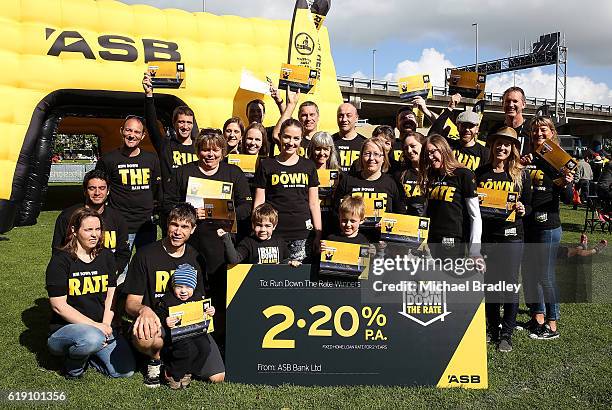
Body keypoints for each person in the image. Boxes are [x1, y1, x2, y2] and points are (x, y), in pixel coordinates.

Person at [123, 203, 225, 387]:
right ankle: (155, 359)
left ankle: (174, 365)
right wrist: (144, 310)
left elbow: (199, 298)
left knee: (217, 377)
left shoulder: (196, 258)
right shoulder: (145, 255)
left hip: (188, 325)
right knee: (146, 338)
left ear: (193, 229)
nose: (178, 231)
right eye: (174, 225)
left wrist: (207, 311)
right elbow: (131, 303)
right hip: (159, 322)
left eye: (184, 226)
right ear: (167, 225)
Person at [163, 130, 251, 340]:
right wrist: (191, 212)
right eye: (204, 149)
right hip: (192, 244)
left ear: (222, 150)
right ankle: (191, 335)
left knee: (221, 293)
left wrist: (219, 211)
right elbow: (167, 204)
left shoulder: (233, 172)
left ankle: (220, 338)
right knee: (193, 289)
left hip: (223, 244)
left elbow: (246, 206)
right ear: (197, 151)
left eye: (215, 149)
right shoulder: (184, 172)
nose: (209, 154)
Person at [46, 207, 135, 379]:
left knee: (124, 371)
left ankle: (89, 356)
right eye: (88, 229)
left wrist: (106, 325)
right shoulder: (60, 260)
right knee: (91, 338)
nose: (95, 234)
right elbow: (59, 307)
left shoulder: (107, 256)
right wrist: (97, 327)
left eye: (98, 229)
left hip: (101, 327)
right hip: (66, 330)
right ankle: (73, 368)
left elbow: (111, 295)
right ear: (74, 230)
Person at [475, 126, 532, 352]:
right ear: (492, 146)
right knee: (490, 285)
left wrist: (521, 208)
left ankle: (506, 333)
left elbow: (529, 205)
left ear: (513, 148)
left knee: (508, 285)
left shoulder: (520, 174)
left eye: (507, 144)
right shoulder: (480, 173)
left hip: (511, 237)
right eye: (498, 143)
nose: (502, 147)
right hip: (488, 237)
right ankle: (493, 329)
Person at [520, 116, 573, 340]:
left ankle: (552, 324)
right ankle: (537, 317)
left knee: (546, 275)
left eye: (544, 130)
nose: (539, 134)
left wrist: (566, 179)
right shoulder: (527, 158)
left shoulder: (560, 161)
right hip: (528, 224)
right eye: (535, 131)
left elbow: (569, 198)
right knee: (531, 274)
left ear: (552, 133)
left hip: (548, 225)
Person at [253, 118, 322, 261]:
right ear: (279, 137)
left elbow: (314, 203)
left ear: (301, 140)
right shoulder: (266, 165)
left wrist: (318, 233)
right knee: (274, 279)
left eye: (296, 138)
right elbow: (260, 201)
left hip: (303, 234)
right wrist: (256, 228)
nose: (291, 142)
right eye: (287, 137)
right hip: (273, 233)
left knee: (299, 279)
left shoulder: (309, 166)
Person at [95, 115, 161, 250]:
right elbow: (98, 189)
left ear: (143, 136)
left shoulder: (152, 159)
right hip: (118, 225)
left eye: (137, 132)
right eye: (128, 130)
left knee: (145, 268)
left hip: (146, 225)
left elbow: (156, 188)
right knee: (120, 269)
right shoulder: (108, 160)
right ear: (121, 131)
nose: (132, 135)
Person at [52, 169, 130, 278]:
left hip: (108, 276)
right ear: (85, 191)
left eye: (102, 188)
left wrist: (114, 271)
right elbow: (58, 250)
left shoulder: (117, 218)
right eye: (92, 188)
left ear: (108, 191)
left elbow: (123, 253)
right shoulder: (68, 216)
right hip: (77, 276)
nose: (97, 193)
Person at [418, 134, 482, 258]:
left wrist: (475, 250)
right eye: (427, 154)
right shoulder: (431, 176)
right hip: (432, 239)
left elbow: (475, 215)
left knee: (448, 276)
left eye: (433, 152)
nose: (430, 157)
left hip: (454, 239)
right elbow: (426, 211)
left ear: (443, 149)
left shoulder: (464, 175)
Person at [155, 263, 216, 389]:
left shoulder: (198, 297)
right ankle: (172, 373)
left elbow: (206, 309)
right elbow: (159, 313)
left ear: (194, 287)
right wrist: (165, 320)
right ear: (173, 286)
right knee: (186, 349)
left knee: (205, 348)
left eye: (188, 287)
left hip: (196, 331)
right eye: (179, 287)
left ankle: (188, 372)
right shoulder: (168, 299)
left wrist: (211, 311)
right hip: (178, 334)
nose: (183, 291)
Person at [334, 137, 404, 242]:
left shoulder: (392, 183)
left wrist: (388, 225)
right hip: (352, 242)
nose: (371, 158)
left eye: (376, 154)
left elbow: (400, 214)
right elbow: (336, 211)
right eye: (367, 154)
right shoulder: (348, 181)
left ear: (383, 158)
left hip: (381, 243)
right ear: (361, 157)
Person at [142, 73, 198, 187]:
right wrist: (149, 95)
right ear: (174, 124)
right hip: (171, 201)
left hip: (194, 201)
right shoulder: (165, 146)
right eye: (181, 122)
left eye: (189, 123)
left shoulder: (200, 148)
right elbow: (152, 125)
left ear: (193, 125)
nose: (185, 126)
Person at [217, 203, 299, 265]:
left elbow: (285, 260)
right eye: (259, 225)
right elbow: (234, 260)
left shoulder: (280, 242)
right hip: (255, 284)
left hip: (275, 284)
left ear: (274, 226)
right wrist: (226, 238)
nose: (263, 229)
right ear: (253, 225)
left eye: (268, 226)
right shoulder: (248, 242)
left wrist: (291, 262)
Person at [308, 131, 341, 235]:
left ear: (331, 151)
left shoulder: (339, 174)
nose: (322, 153)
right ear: (311, 150)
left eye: (326, 149)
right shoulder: (305, 171)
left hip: (332, 224)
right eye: (318, 148)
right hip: (310, 222)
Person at [489, 86, 530, 155]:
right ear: (503, 104)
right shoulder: (496, 130)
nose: (511, 105)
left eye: (515, 101)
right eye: (508, 101)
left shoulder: (532, 129)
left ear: (523, 105)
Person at [394, 131, 426, 216]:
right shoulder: (400, 174)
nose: (409, 150)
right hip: (409, 223)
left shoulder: (434, 172)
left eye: (413, 146)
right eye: (405, 148)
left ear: (423, 145)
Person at [333, 103, 367, 172]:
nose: (344, 119)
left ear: (356, 118)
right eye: (341, 116)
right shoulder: (329, 141)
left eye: (348, 116)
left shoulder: (365, 144)